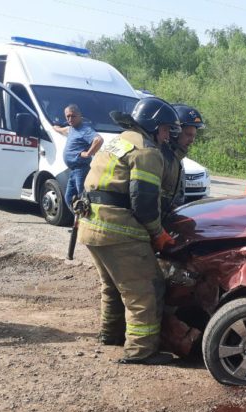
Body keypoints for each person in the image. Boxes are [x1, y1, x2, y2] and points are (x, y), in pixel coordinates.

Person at [77, 97, 180, 365]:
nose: (169, 136)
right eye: (167, 129)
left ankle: (111, 335)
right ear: (155, 126)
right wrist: (158, 233)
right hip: (118, 229)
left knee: (112, 286)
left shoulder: (119, 140)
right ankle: (141, 350)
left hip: (90, 226)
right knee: (144, 289)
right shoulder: (147, 151)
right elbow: (144, 204)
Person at [52, 105, 103, 209]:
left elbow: (99, 140)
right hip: (73, 170)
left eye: (73, 116)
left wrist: (89, 153)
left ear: (80, 116)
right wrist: (54, 127)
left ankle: (87, 222)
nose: (70, 119)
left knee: (83, 198)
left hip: (81, 170)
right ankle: (78, 220)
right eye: (67, 116)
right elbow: (61, 130)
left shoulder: (84, 129)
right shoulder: (71, 129)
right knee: (69, 197)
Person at [160, 104, 204, 217]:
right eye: (188, 135)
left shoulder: (177, 158)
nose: (192, 140)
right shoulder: (161, 158)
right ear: (174, 133)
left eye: (194, 136)